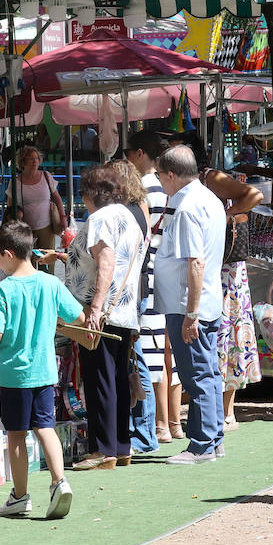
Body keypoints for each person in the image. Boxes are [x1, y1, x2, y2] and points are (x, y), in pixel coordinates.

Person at [40, 164, 147, 470]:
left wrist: (95, 309)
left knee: (100, 380)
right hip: (124, 311)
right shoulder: (130, 217)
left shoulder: (100, 218)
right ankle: (120, 445)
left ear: (92, 194)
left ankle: (103, 450)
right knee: (116, 379)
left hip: (99, 312)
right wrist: (61, 256)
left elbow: (106, 262)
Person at [0, 221, 77, 519]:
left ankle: (20, 495)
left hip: (14, 373)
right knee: (45, 427)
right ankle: (59, 481)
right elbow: (78, 316)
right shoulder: (51, 284)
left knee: (16, 434)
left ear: (7, 254)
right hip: (44, 370)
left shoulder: (3, 290)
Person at [169, 131, 263, 431]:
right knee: (221, 337)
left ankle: (226, 410)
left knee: (226, 334)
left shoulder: (210, 178)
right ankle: (219, 410)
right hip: (216, 267)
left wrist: (226, 214)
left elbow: (253, 194)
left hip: (223, 269)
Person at [152, 144, 227, 465]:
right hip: (201, 300)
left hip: (189, 306)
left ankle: (203, 444)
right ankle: (211, 439)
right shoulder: (208, 198)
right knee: (206, 372)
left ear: (170, 174)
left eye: (159, 175)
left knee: (198, 375)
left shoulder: (187, 208)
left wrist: (191, 314)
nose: (159, 182)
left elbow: (194, 262)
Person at [125, 129, 182, 443]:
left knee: (150, 352)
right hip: (171, 274)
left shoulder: (142, 190)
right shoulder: (173, 189)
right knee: (168, 350)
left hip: (147, 277)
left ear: (138, 154)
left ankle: (158, 424)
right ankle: (173, 423)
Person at [108, 158, 158, 453]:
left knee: (135, 358)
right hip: (137, 288)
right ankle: (142, 429)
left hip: (130, 291)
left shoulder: (128, 212)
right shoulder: (140, 207)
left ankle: (144, 431)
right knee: (133, 358)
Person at [2, 145, 67, 251]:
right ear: (23, 162)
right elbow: (10, 207)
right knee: (28, 261)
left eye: (36, 158)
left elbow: (57, 198)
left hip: (47, 227)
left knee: (47, 260)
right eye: (31, 158)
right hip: (25, 229)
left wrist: (63, 218)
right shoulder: (15, 182)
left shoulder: (46, 176)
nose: (35, 161)